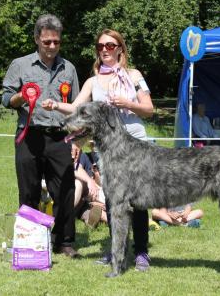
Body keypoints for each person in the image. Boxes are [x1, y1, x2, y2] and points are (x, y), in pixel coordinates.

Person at [42, 28, 154, 271]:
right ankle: (117, 251)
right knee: (114, 200)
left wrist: (127, 103)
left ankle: (142, 252)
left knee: (139, 201)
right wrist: (54, 105)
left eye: (110, 45)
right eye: (101, 46)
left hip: (135, 143)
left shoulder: (133, 75)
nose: (105, 49)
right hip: (108, 149)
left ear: (120, 49)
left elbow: (149, 108)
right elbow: (77, 108)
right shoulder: (93, 81)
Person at [2, 14, 81, 258]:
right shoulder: (20, 65)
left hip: (59, 138)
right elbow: (6, 98)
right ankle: (30, 242)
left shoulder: (68, 68)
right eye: (47, 42)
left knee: (66, 191)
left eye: (56, 42)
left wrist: (77, 139)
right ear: (37, 39)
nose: (52, 47)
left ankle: (64, 242)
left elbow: (77, 107)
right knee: (29, 191)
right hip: (29, 136)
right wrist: (21, 97)